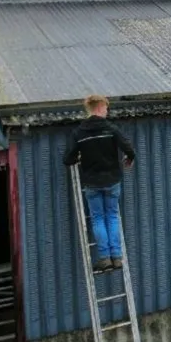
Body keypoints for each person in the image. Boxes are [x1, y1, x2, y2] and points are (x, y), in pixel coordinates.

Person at [63, 94, 136, 272]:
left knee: (98, 219)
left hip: (92, 183)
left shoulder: (79, 133)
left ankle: (104, 258)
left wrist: (80, 157)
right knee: (112, 216)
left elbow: (67, 159)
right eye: (105, 108)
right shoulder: (111, 128)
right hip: (112, 181)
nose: (106, 111)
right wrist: (129, 158)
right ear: (99, 107)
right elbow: (128, 148)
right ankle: (117, 257)